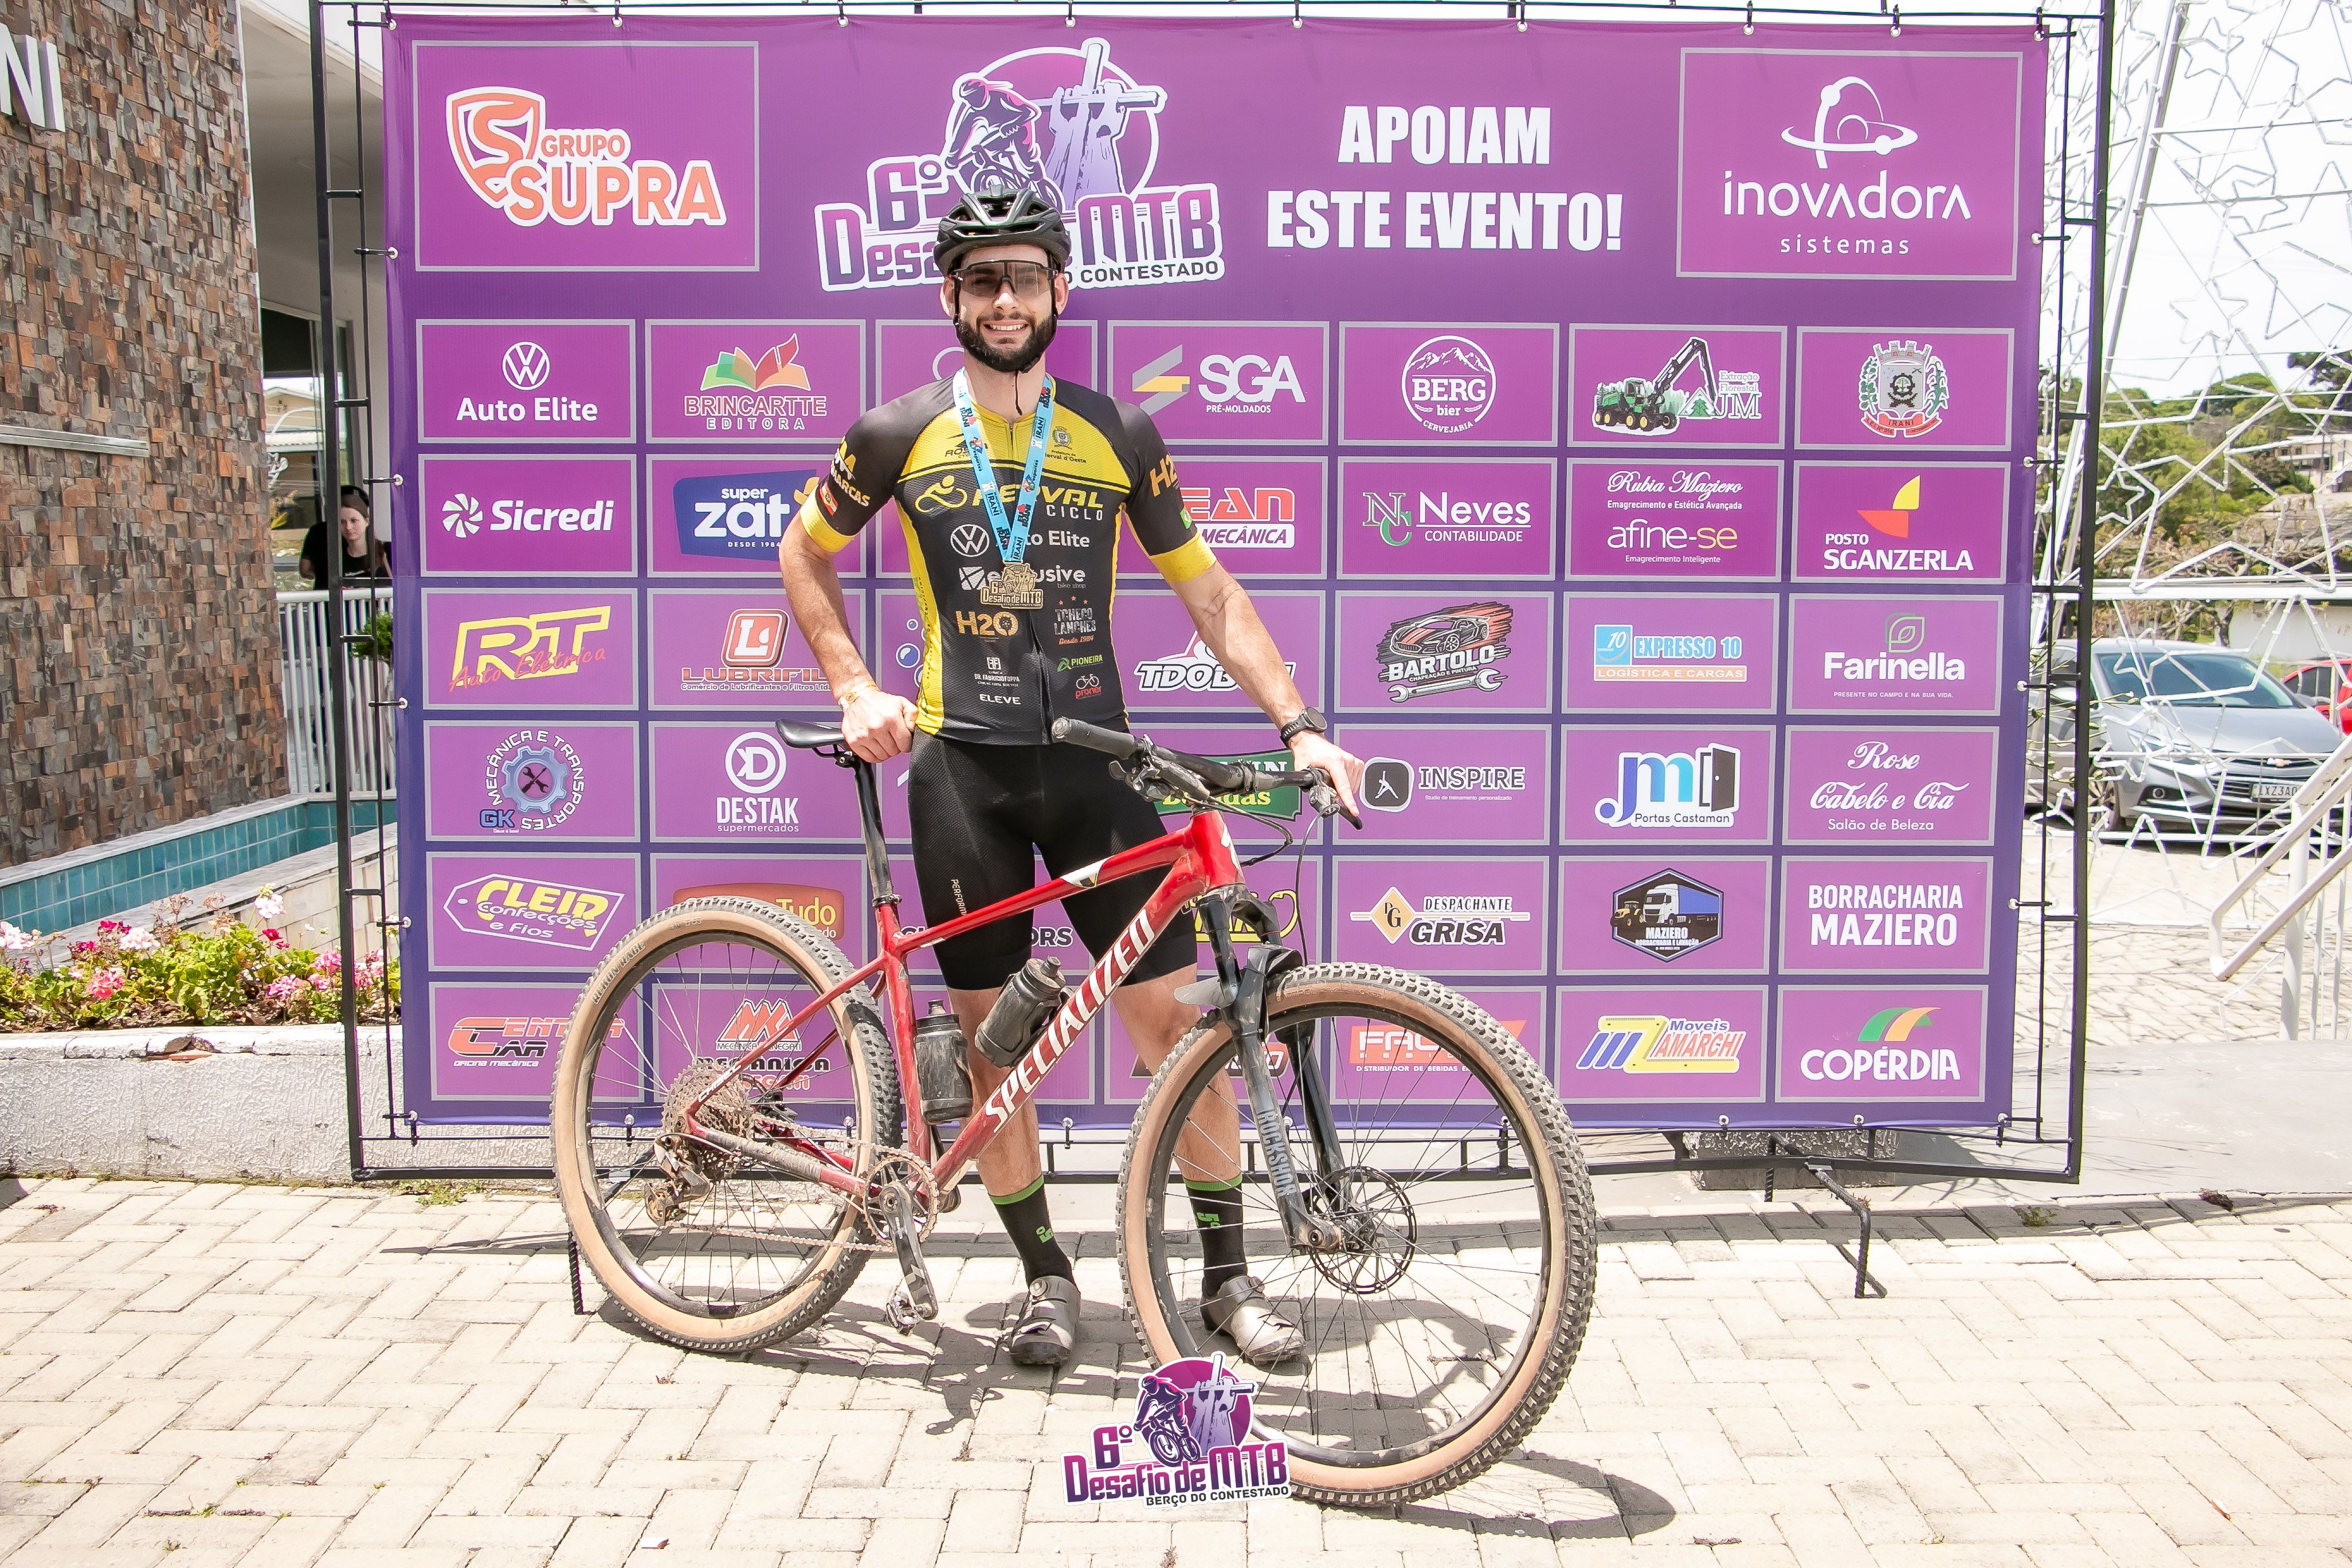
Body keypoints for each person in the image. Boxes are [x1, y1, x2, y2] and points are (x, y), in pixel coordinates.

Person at [779, 189, 1362, 1371]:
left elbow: (1209, 593)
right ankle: (1044, 1275)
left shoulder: (1115, 432)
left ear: (1060, 291)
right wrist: (852, 686)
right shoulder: (895, 433)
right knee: (990, 1047)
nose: (1004, 300)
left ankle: (1226, 1279)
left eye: (1025, 278)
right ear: (949, 298)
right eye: (981, 280)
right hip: (960, 773)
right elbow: (803, 549)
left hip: (1097, 764)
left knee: (1179, 1030)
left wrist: (1299, 724)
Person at [300, 485, 389, 583]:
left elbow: (305, 570)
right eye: (342, 522)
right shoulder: (320, 532)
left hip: (328, 589)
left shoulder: (318, 531)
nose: (348, 527)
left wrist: (322, 575)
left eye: (353, 520)